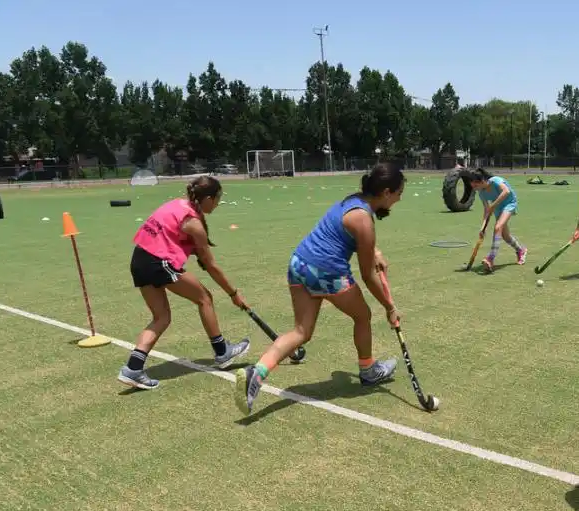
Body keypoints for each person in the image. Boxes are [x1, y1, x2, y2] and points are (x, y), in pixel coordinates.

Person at [233, 164, 404, 415]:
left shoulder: (352, 201)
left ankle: (256, 373)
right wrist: (390, 307)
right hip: (326, 273)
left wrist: (374, 251)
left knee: (301, 331)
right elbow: (368, 275)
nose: (399, 199)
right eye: (399, 193)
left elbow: (347, 234)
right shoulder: (364, 220)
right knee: (363, 316)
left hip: (299, 264)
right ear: (387, 192)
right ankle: (368, 370)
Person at [119, 175, 251, 390]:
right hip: (157, 262)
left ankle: (133, 368)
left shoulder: (176, 205)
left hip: (139, 260)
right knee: (204, 298)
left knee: (161, 317)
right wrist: (233, 294)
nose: (217, 204)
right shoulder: (194, 224)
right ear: (208, 198)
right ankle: (221, 352)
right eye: (217, 199)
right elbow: (211, 266)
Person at [467, 168, 527, 273]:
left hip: (509, 203)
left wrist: (493, 205)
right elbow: (486, 211)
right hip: (498, 207)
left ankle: (491, 258)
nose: (475, 188)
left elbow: (506, 191)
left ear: (482, 181)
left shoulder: (496, 180)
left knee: (498, 227)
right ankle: (520, 250)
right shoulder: (481, 193)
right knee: (505, 235)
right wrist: (482, 228)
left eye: (476, 186)